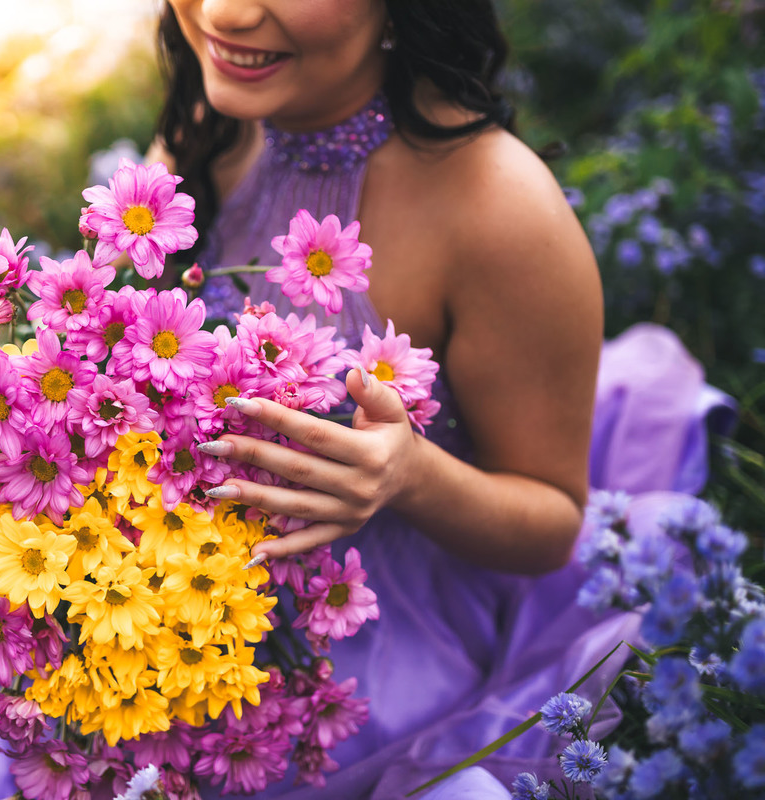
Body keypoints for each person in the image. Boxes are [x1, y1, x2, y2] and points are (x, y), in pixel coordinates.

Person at [141, 1, 728, 798]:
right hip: (172, 602)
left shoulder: (498, 208)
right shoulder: (215, 121)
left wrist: (409, 475)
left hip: (379, 647)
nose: (227, 11)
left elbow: (554, 519)